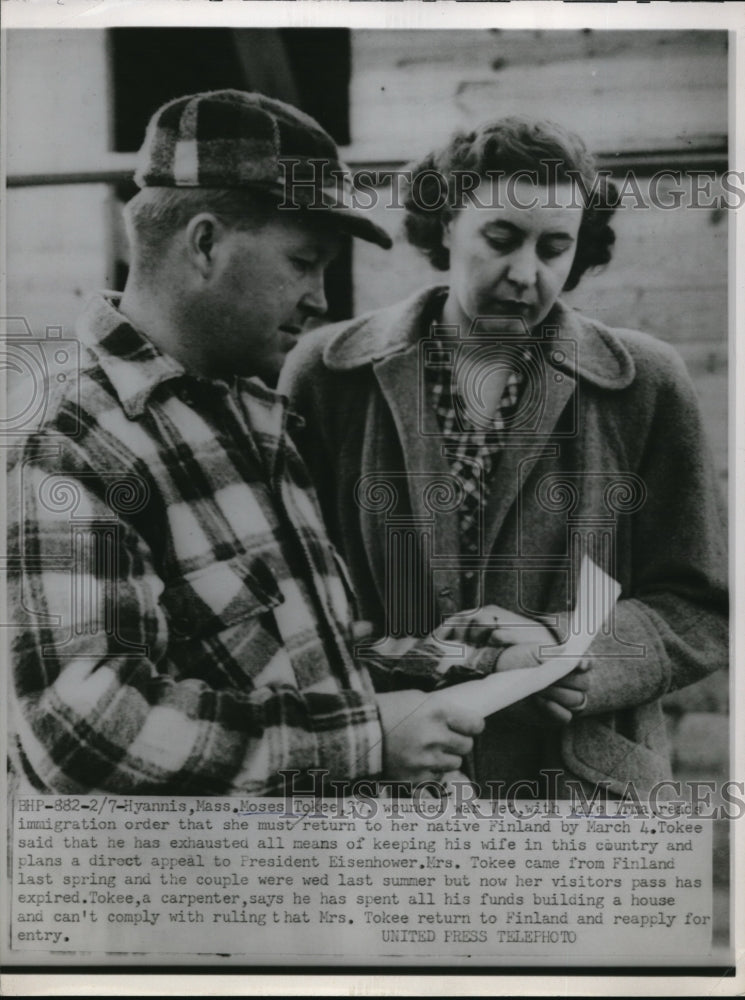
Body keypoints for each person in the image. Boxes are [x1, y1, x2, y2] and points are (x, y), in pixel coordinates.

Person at [8, 89, 487, 795]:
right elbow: (80, 730)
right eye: (303, 261)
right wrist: (364, 741)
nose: (322, 299)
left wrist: (467, 661)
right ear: (204, 245)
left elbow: (304, 656)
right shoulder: (73, 438)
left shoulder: (253, 411)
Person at [281, 116, 729, 798]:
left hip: (582, 794)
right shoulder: (328, 373)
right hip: (391, 786)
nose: (526, 273)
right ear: (444, 224)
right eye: (500, 238)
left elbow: (701, 605)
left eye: (554, 248)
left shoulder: (644, 381)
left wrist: (572, 658)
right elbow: (296, 601)